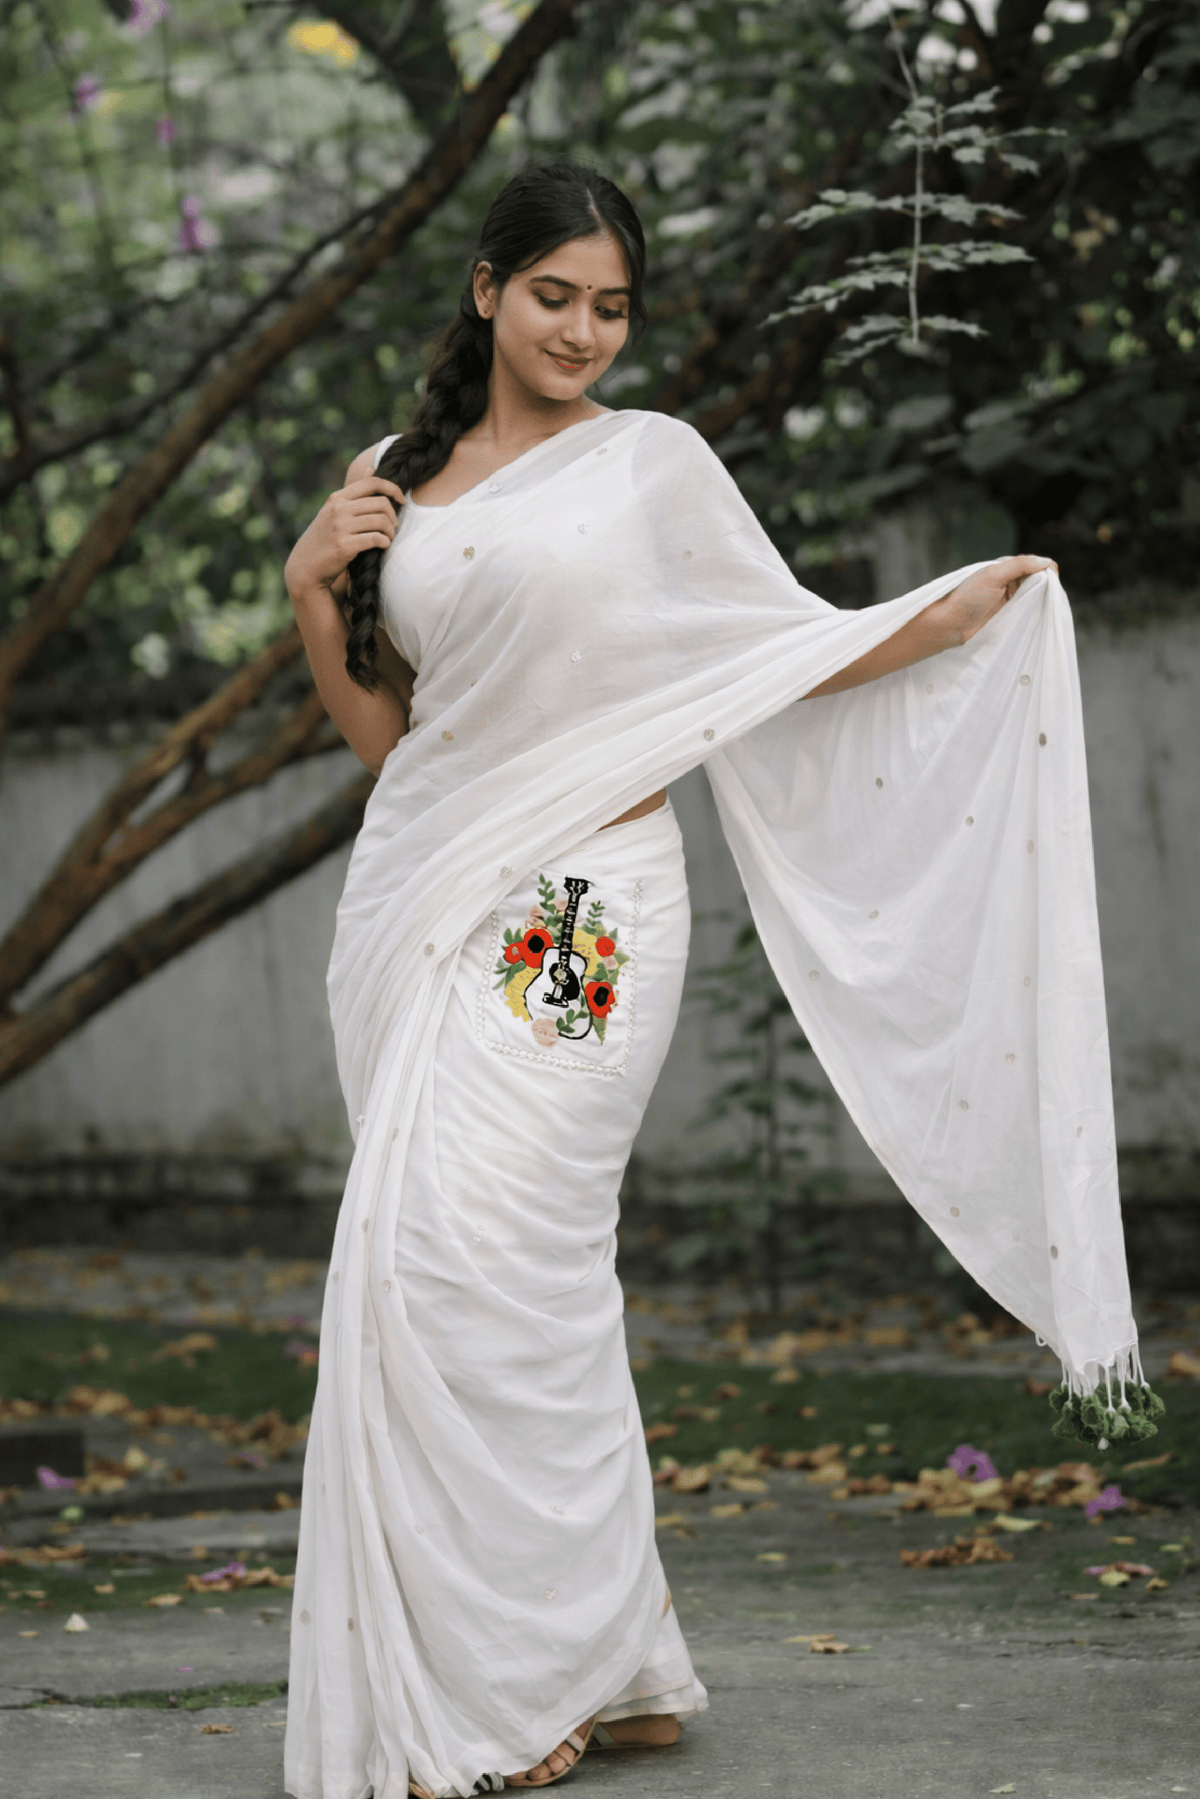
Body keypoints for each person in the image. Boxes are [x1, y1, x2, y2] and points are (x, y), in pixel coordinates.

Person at [281, 160, 1151, 1799]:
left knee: (488, 1259)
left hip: (582, 908)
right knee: (435, 1271)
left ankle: (527, 1674)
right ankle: (605, 1658)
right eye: (555, 296)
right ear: (485, 290)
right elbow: (391, 741)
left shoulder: (650, 464)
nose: (583, 332)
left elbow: (774, 643)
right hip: (423, 894)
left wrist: (944, 615)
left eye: (611, 307)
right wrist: (309, 584)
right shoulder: (390, 479)